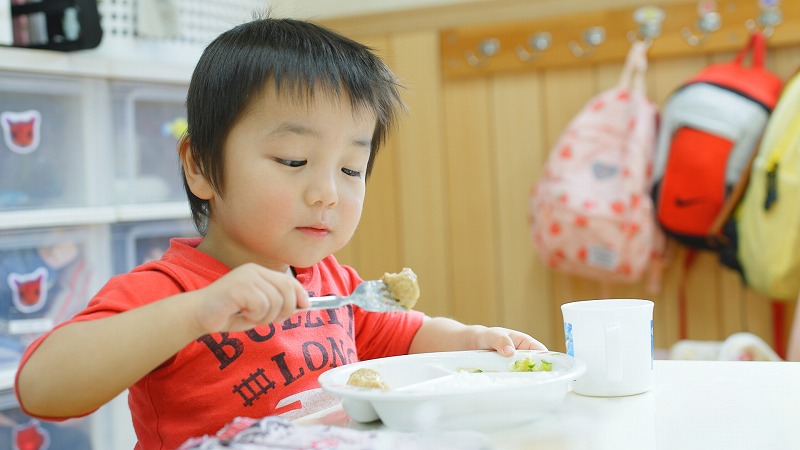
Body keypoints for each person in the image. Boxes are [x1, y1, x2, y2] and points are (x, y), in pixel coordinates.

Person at [14, 14, 547, 449]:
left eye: (350, 169)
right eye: (294, 160)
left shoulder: (334, 284)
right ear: (199, 167)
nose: (327, 193)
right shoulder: (169, 291)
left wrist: (471, 340)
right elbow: (43, 388)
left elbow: (404, 333)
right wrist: (198, 313)